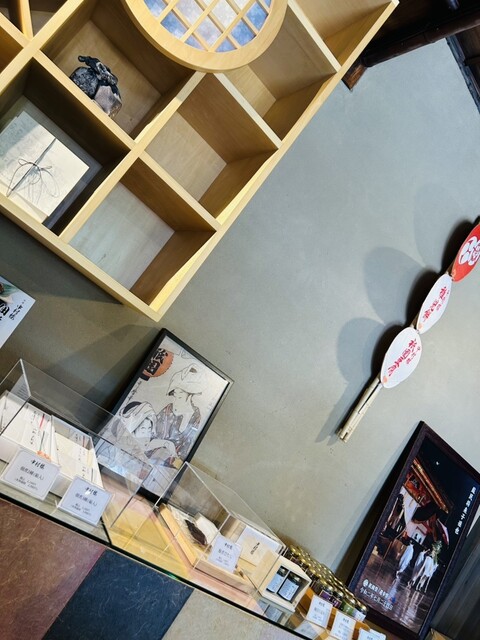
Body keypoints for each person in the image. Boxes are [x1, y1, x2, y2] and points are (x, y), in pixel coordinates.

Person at [155, 363, 205, 464]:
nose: (176, 398)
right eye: (175, 394)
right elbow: (152, 434)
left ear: (190, 394)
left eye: (181, 394)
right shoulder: (168, 410)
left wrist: (177, 462)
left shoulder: (196, 416)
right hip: (154, 455)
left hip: (173, 463)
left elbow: (188, 444)